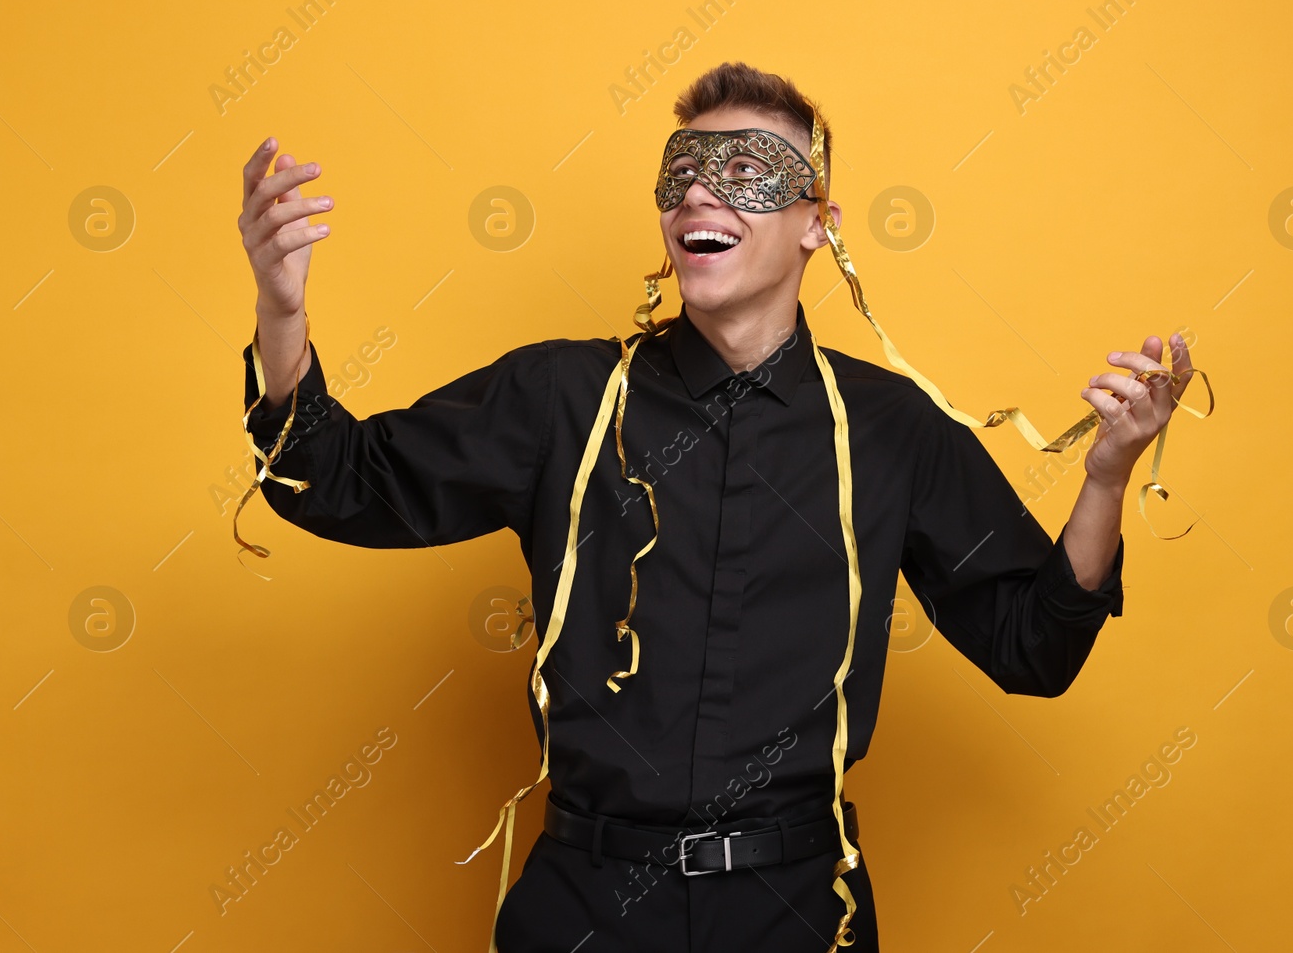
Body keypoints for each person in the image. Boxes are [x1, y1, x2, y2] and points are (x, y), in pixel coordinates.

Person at [235, 62, 1197, 952]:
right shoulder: (563, 398)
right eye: (682, 173)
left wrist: (1107, 477)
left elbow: (1034, 648)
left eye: (745, 170)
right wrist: (283, 315)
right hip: (585, 908)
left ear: (818, 221)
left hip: (800, 912)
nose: (699, 192)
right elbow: (338, 480)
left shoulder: (892, 428)